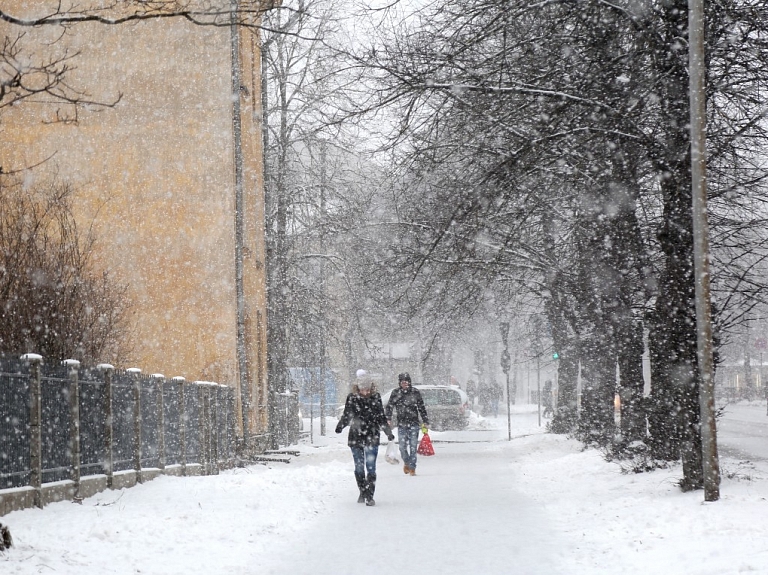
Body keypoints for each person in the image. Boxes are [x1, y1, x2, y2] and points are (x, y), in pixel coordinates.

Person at [335, 370, 394, 507]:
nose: (366, 392)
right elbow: (347, 415)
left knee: (371, 467)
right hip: (356, 437)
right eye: (363, 389)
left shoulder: (376, 397)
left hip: (372, 436)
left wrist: (388, 431)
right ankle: (363, 490)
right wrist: (340, 426)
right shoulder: (352, 398)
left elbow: (381, 417)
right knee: (359, 468)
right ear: (358, 388)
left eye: (368, 389)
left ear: (371, 388)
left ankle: (369, 496)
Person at [385, 372, 429, 476]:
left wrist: (425, 420)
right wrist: (388, 418)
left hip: (414, 423)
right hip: (402, 424)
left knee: (413, 447)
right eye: (402, 382)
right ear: (399, 383)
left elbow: (421, 407)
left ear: (409, 382)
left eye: (406, 382)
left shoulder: (415, 392)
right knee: (402, 447)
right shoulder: (396, 393)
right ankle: (407, 462)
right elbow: (390, 406)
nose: (404, 384)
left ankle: (412, 468)